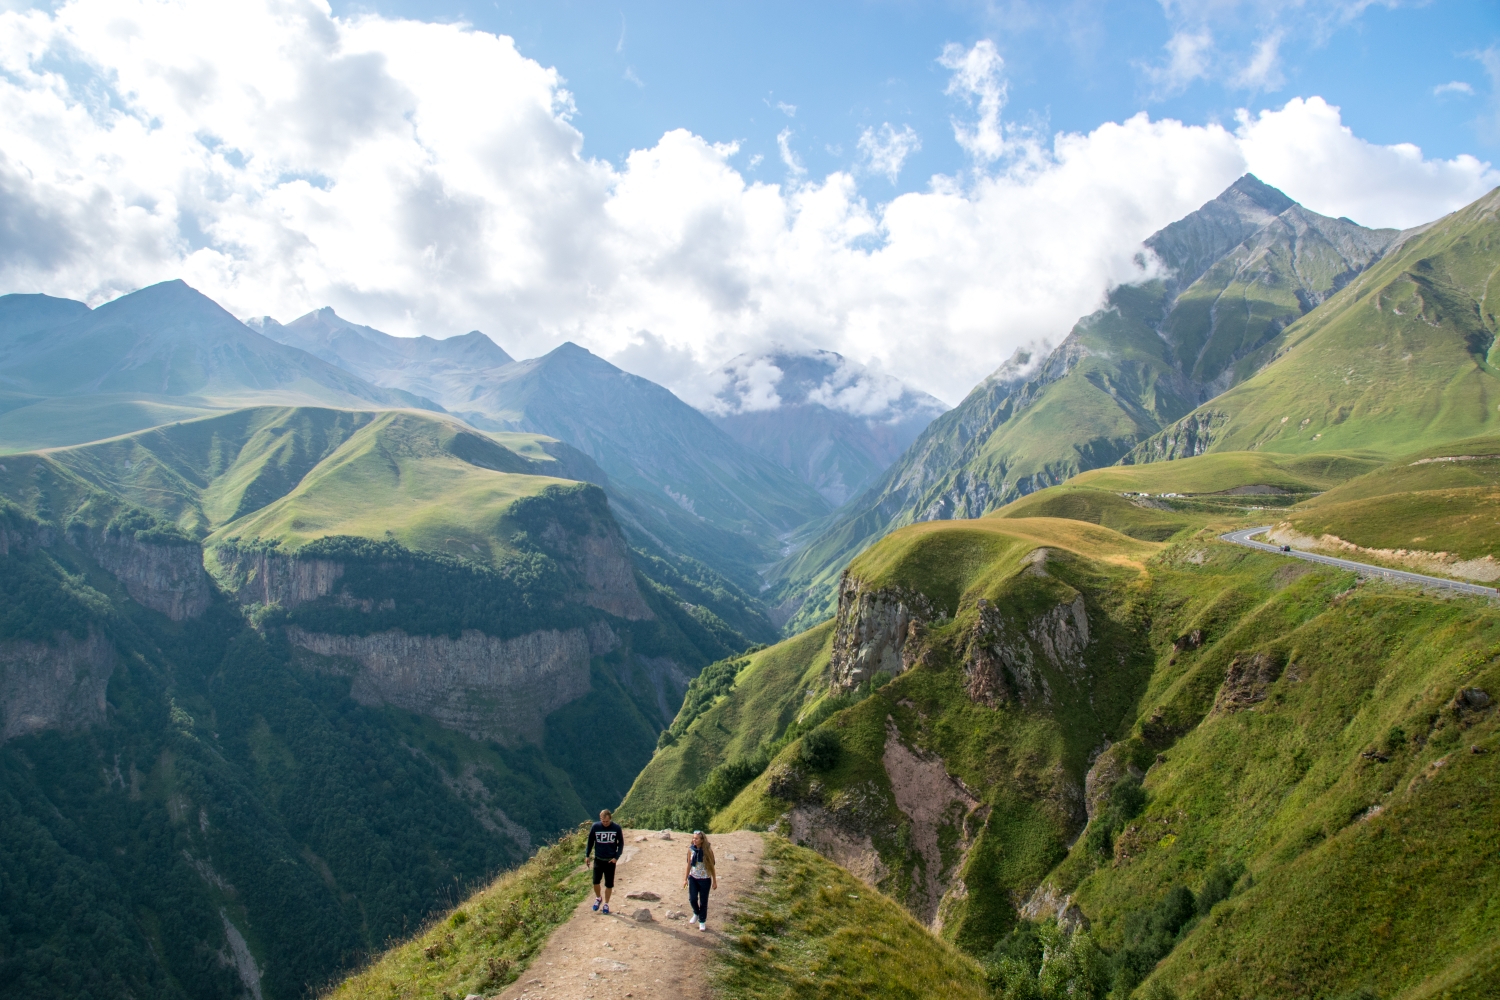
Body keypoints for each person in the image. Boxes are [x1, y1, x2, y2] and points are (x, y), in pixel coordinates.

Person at [585, 808, 624, 914]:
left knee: (609, 884)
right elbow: (590, 842)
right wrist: (587, 855)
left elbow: (621, 844)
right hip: (598, 859)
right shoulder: (595, 827)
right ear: (600, 819)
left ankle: (606, 904)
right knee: (595, 882)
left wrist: (616, 857)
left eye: (607, 821)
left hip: (610, 861)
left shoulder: (616, 828)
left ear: (610, 819)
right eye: (603, 821)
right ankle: (598, 898)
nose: (605, 823)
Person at [681, 830, 717, 931]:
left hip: (705, 879)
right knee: (692, 899)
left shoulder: (708, 851)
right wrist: (685, 879)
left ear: (702, 840)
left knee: (703, 902)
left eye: (696, 838)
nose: (694, 840)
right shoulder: (690, 850)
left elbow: (712, 866)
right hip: (693, 878)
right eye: (693, 838)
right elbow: (688, 865)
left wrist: (714, 881)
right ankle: (696, 912)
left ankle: (702, 921)